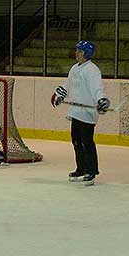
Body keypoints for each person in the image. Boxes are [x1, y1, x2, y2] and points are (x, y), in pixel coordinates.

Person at [51, 40, 110, 186]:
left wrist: (101, 99)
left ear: (86, 53)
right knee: (76, 141)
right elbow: (68, 84)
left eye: (79, 50)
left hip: (87, 112)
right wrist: (59, 95)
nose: (76, 52)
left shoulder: (92, 70)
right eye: (76, 50)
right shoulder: (75, 68)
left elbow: (97, 88)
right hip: (76, 111)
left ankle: (91, 171)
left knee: (87, 141)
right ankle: (81, 168)